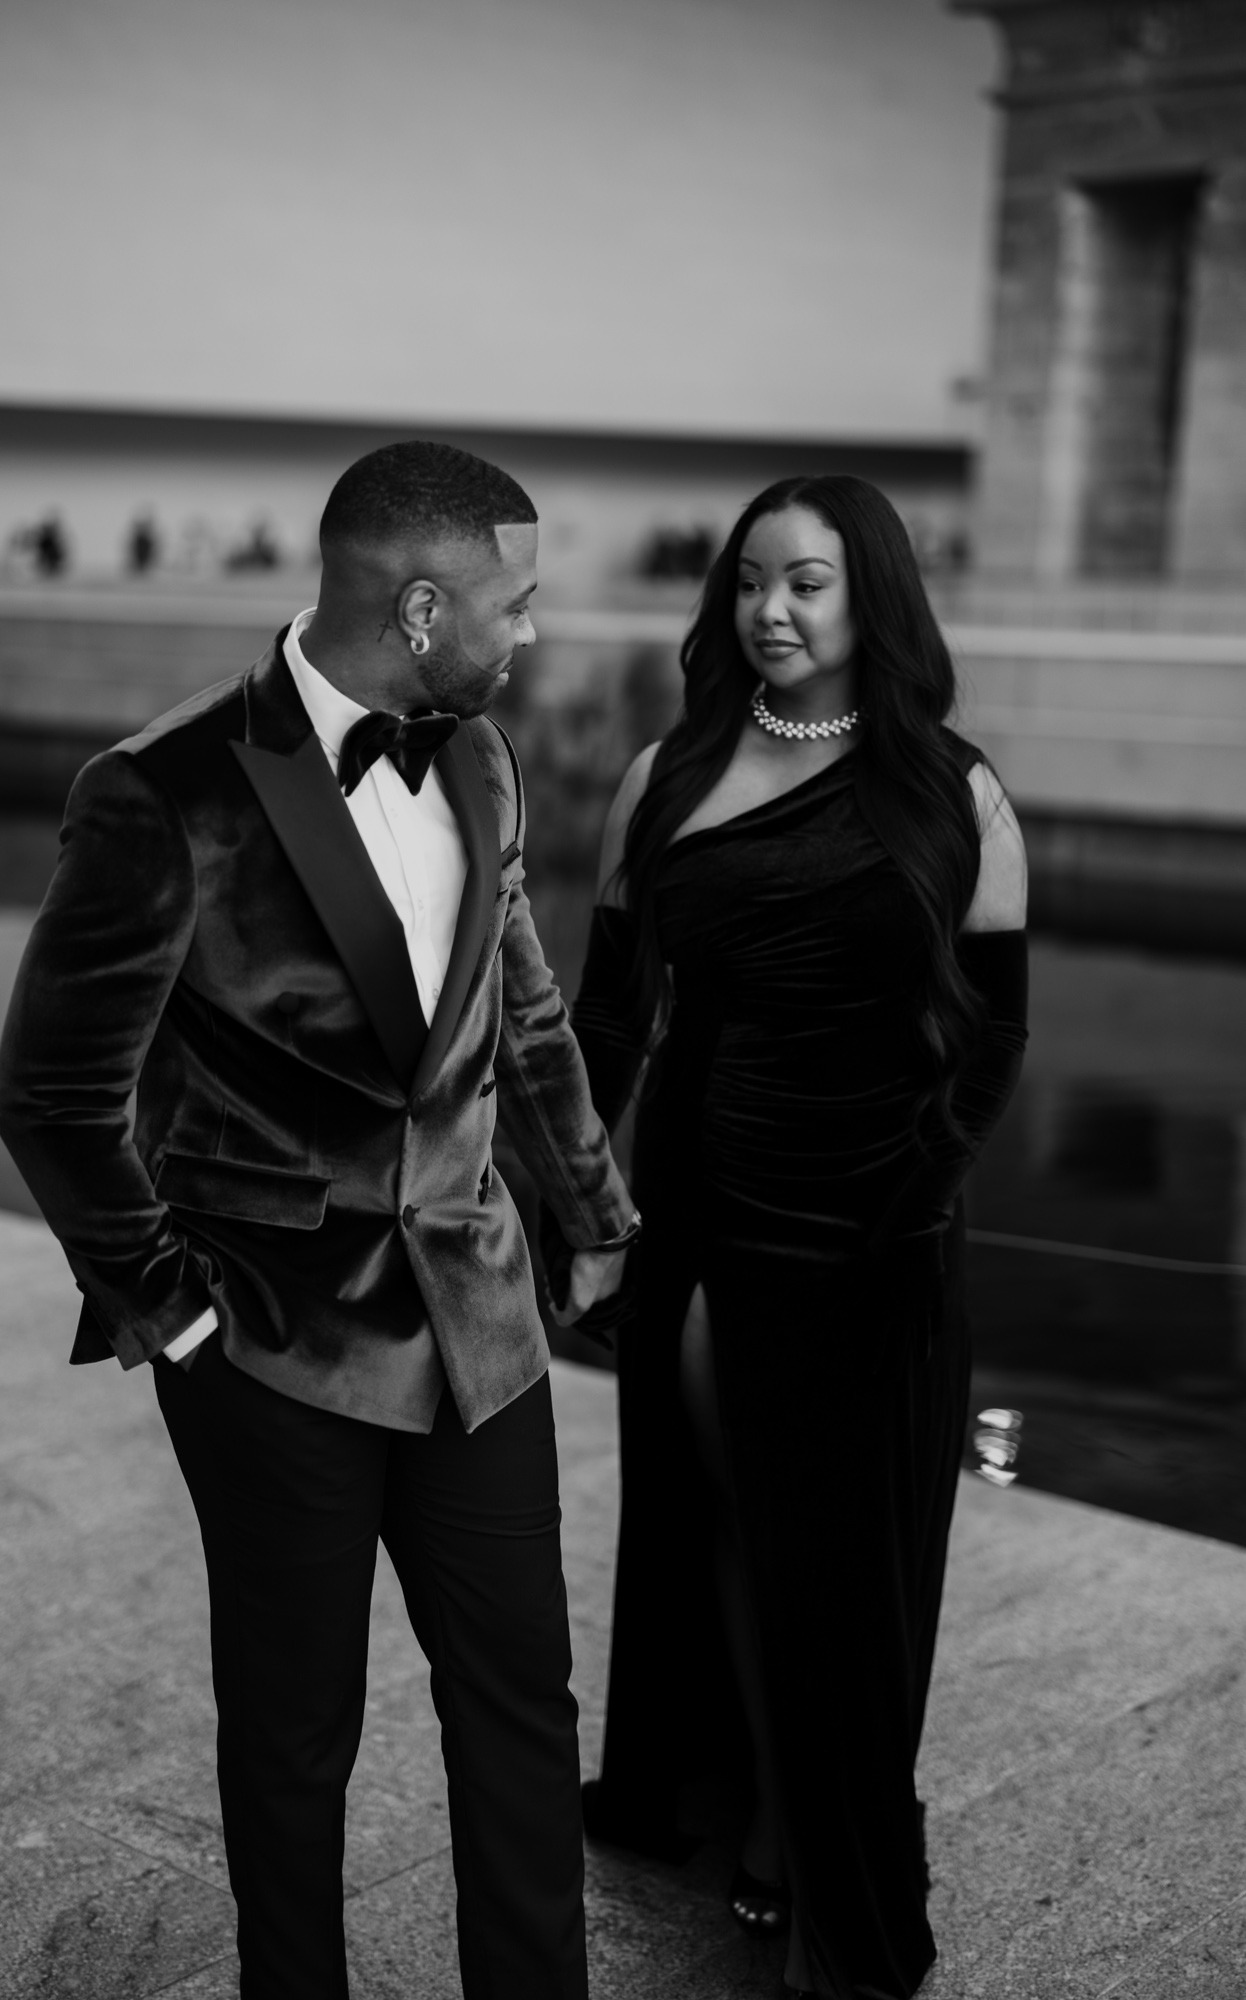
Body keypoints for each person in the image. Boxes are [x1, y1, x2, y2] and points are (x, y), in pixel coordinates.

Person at [0, 441, 638, 2000]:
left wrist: (595, 1211)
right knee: (294, 1737)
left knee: (522, 1704)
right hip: (270, 1342)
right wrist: (173, 1314)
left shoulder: (480, 759)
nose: (530, 632)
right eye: (512, 603)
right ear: (419, 609)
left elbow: (525, 1015)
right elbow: (52, 1096)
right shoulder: (162, 788)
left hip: (480, 1321)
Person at [560, 475, 1028, 1999]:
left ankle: (813, 1827)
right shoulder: (667, 773)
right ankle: (754, 1809)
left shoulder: (953, 793)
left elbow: (992, 1043)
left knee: (840, 1568)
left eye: (806, 582)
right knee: (729, 1525)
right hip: (706, 1207)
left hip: (880, 1230)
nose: (769, 609)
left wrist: (907, 1204)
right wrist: (574, 1205)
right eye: (749, 581)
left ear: (869, 596)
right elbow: (608, 1018)